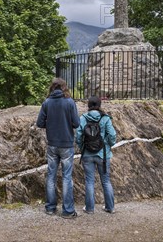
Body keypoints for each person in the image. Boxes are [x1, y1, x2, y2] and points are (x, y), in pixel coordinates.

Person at [36, 78, 80, 218]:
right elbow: (77, 123)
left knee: (51, 176)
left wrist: (51, 125)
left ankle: (50, 207)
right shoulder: (69, 102)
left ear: (52, 88)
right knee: (67, 177)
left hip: (52, 144)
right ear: (64, 87)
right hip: (66, 144)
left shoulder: (47, 103)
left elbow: (39, 123)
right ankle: (67, 211)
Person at [75, 96, 116, 214]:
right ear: (99, 105)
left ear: (88, 105)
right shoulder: (105, 118)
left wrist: (82, 146)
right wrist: (108, 145)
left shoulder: (83, 118)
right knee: (106, 181)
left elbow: (78, 135)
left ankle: (90, 208)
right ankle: (110, 207)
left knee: (89, 181)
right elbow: (112, 135)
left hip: (87, 154)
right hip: (103, 154)